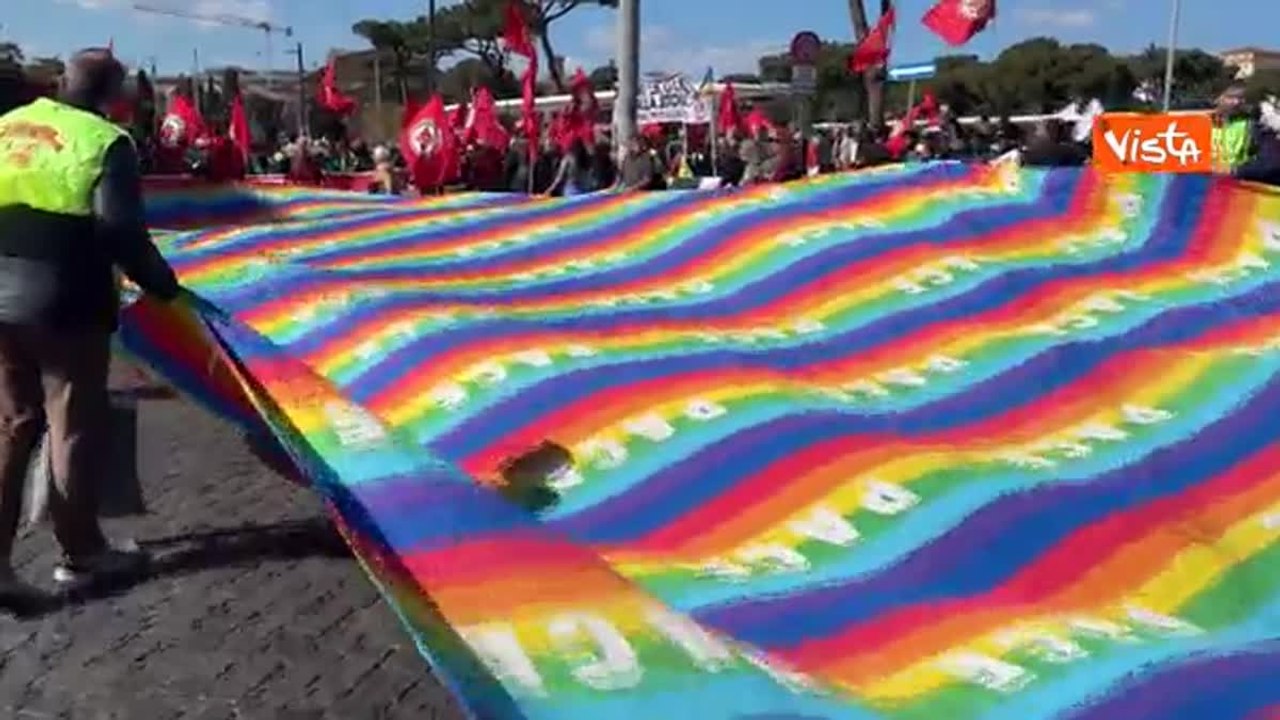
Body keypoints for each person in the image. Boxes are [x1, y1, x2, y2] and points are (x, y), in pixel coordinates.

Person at [0, 48, 182, 608]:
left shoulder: (7, 128)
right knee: (69, 424)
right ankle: (83, 553)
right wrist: (164, 285)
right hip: (66, 302)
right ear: (115, 96)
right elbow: (120, 227)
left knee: (12, 425)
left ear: (60, 82)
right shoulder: (105, 141)